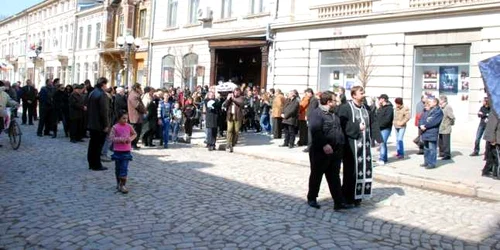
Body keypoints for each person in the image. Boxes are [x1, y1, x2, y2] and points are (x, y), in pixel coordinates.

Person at [307, 91, 353, 211]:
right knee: (316, 176)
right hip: (320, 152)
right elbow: (316, 131)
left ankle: (338, 202)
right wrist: (324, 144)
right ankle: (312, 198)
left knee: (334, 177)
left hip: (336, 151)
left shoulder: (334, 113)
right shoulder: (316, 114)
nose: (336, 102)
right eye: (334, 100)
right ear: (329, 102)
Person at [338, 86, 374, 207]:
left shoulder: (366, 108)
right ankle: (347, 197)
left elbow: (373, 121)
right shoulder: (345, 108)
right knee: (351, 172)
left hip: (364, 145)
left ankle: (358, 196)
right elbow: (342, 124)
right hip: (351, 145)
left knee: (363, 170)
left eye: (363, 92)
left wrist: (379, 138)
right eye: (361, 93)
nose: (363, 95)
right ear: (354, 95)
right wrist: (357, 128)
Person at [109, 110, 137, 194]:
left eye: (126, 118)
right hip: (117, 151)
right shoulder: (115, 127)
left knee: (124, 168)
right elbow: (111, 137)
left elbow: (134, 134)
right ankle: (118, 183)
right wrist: (120, 139)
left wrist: (130, 139)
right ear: (118, 119)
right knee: (118, 168)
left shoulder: (129, 126)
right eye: (123, 118)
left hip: (126, 151)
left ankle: (123, 185)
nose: (125, 120)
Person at [86, 77, 110, 171]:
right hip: (99, 125)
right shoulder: (102, 94)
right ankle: (96, 164)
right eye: (106, 84)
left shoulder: (92, 93)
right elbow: (104, 111)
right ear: (103, 84)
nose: (106, 86)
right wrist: (106, 125)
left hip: (92, 123)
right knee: (98, 145)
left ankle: (91, 163)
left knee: (92, 145)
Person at [419, 97, 444, 169]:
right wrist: (420, 125)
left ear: (435, 102)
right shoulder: (426, 110)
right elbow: (421, 118)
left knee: (432, 149)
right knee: (426, 148)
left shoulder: (438, 111)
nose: (428, 103)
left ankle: (432, 163)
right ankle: (426, 162)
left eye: (430, 101)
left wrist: (425, 126)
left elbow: (433, 121)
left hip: (432, 132)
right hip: (425, 131)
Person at [223, 88, 244, 153]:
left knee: (236, 130)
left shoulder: (241, 98)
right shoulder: (230, 98)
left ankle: (233, 142)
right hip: (230, 116)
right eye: (235, 92)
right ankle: (228, 143)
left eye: (238, 92)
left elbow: (241, 104)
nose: (236, 93)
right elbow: (225, 105)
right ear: (233, 92)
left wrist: (233, 99)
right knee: (229, 130)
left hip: (237, 116)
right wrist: (227, 99)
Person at [376, 94, 393, 165]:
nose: (378, 100)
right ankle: (385, 158)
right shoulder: (380, 107)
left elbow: (388, 119)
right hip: (380, 128)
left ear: (383, 99)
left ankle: (382, 158)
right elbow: (377, 117)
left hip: (386, 128)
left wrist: (380, 125)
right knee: (383, 143)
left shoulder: (389, 108)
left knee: (382, 142)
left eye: (379, 99)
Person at [127, 83, 146, 150]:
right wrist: (144, 110)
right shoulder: (133, 95)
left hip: (137, 117)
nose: (140, 89)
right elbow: (137, 105)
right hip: (135, 117)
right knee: (135, 131)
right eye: (139, 88)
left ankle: (134, 144)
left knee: (137, 131)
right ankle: (132, 144)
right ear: (136, 88)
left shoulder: (136, 94)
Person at [0, 83, 19, 147]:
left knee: (0, 128)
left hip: (1, 112)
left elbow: (9, 101)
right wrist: (4, 87)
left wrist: (15, 103)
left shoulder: (5, 94)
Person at [482, 110, 500, 177]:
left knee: (492, 157)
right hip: (495, 139)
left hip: (496, 138)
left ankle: (487, 171)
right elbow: (491, 127)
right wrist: (492, 140)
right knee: (496, 158)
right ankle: (497, 173)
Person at [438, 95, 455, 160]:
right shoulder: (441, 107)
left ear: (443, 100)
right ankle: (442, 153)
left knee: (446, 142)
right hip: (441, 127)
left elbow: (452, 117)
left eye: (440, 100)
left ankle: (447, 155)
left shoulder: (448, 107)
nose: (439, 101)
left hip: (446, 128)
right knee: (441, 142)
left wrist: (448, 124)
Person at [304, 89, 319, 153]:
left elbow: (312, 110)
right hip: (311, 118)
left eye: (306, 93)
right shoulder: (312, 99)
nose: (306, 95)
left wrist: (307, 116)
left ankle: (310, 147)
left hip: (311, 119)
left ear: (310, 93)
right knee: (310, 133)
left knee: (310, 134)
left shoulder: (314, 100)